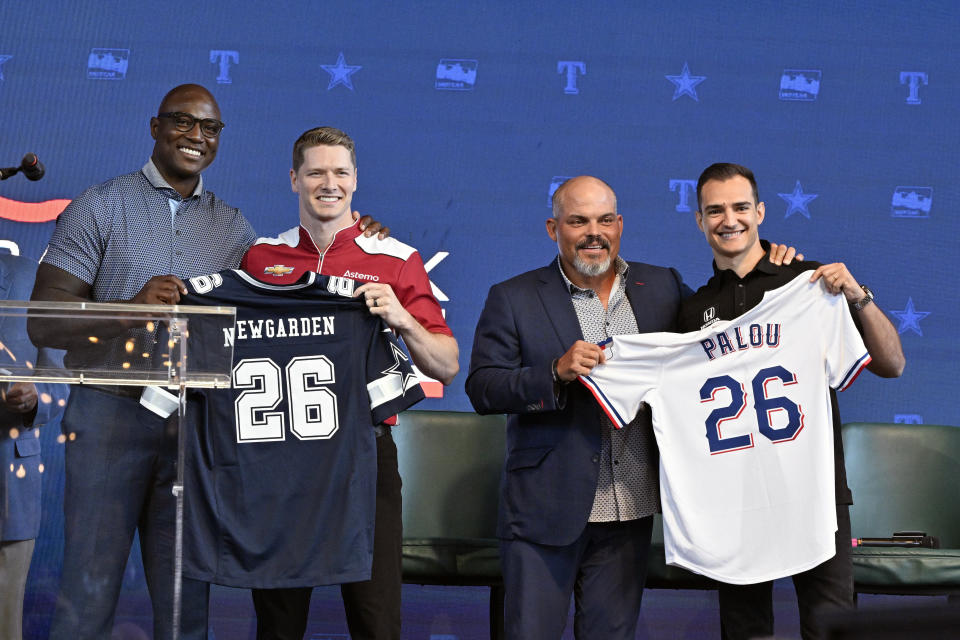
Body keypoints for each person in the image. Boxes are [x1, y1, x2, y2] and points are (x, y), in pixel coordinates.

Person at [28, 84, 381, 639]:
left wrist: (359, 236)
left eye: (209, 128)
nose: (196, 136)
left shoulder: (233, 229)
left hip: (195, 427)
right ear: (154, 127)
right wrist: (130, 308)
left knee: (186, 600)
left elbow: (285, 295)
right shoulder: (99, 205)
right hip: (108, 414)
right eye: (182, 122)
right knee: (88, 590)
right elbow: (42, 321)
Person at [236, 126, 458, 640]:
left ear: (356, 180)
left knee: (375, 617)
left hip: (365, 455)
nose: (328, 183)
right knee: (278, 620)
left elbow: (446, 364)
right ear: (294, 179)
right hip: (282, 459)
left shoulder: (396, 258)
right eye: (315, 172)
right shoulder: (258, 259)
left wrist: (401, 318)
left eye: (340, 172)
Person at [676, 162, 904, 640]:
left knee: (829, 627)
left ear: (760, 212)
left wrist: (857, 294)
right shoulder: (691, 312)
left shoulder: (807, 281)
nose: (728, 219)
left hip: (815, 493)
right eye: (714, 210)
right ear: (699, 220)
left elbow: (893, 364)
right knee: (745, 630)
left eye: (740, 207)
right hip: (736, 502)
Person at [465, 175, 689, 639]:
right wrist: (554, 372)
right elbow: (483, 388)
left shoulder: (662, 286)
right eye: (578, 221)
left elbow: (716, 342)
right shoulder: (514, 296)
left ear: (620, 224)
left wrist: (775, 266)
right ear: (553, 228)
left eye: (605, 219)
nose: (594, 232)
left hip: (631, 504)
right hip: (545, 508)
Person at [0, 252, 69, 640]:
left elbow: (59, 381)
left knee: (6, 622)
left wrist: (35, 399)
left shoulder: (32, 278)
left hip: (10, 475)